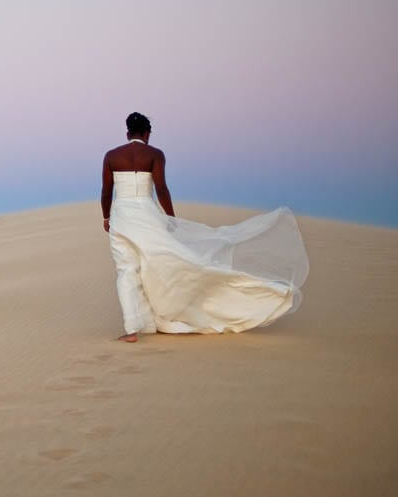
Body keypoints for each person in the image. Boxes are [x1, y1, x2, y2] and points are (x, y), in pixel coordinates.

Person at [102, 112, 308, 342]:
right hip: (149, 215)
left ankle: (133, 328)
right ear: (147, 133)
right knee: (168, 261)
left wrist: (106, 218)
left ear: (127, 132)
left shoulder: (111, 156)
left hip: (122, 217)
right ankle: (163, 314)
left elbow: (106, 191)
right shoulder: (155, 154)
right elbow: (161, 189)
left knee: (127, 270)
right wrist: (171, 219)